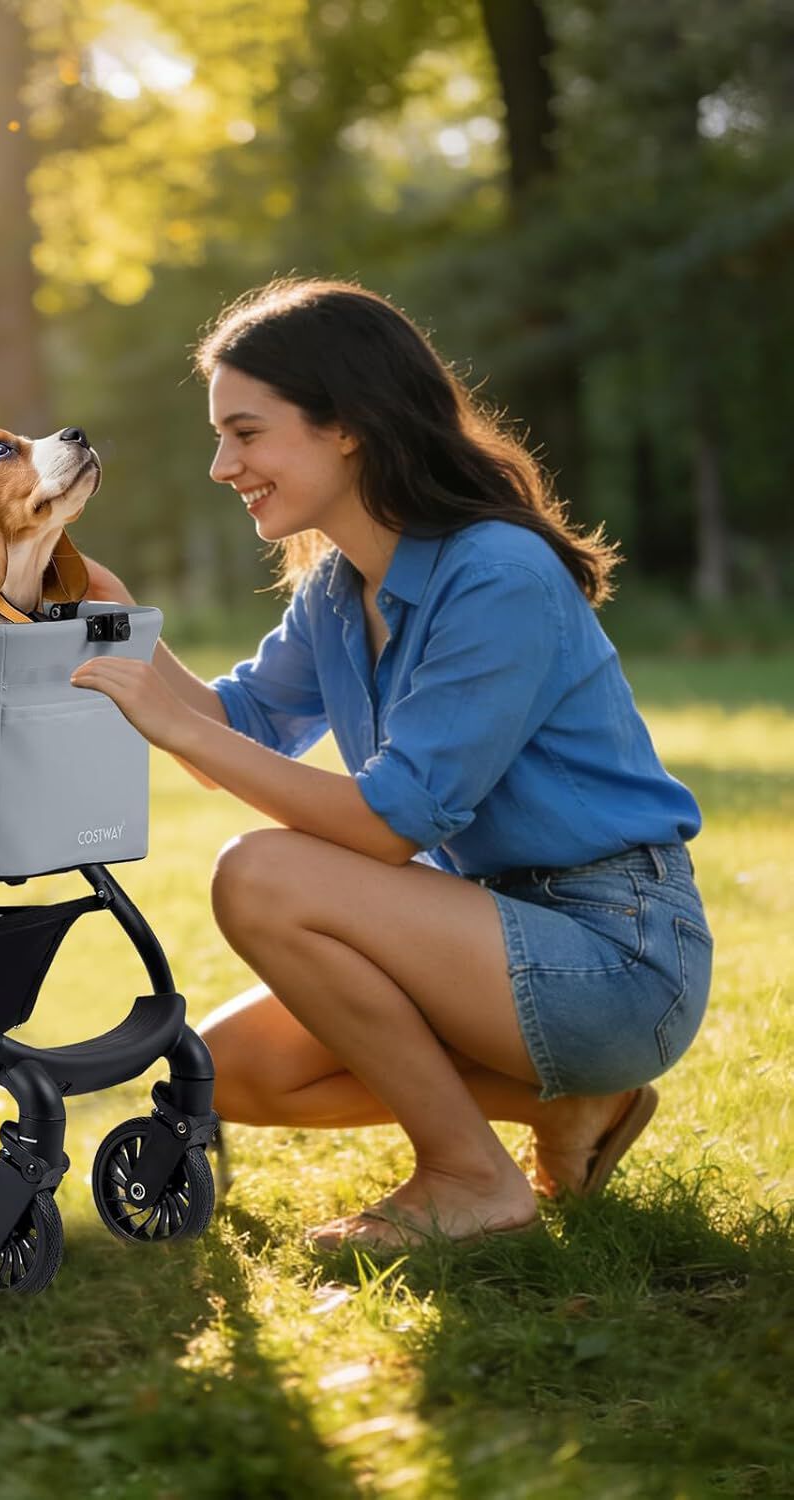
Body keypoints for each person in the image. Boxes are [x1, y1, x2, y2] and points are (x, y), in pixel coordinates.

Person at [68, 276, 713, 1251]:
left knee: (261, 872)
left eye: (245, 433)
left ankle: (469, 1179)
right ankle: (573, 1109)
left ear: (348, 426)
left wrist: (182, 730)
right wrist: (109, 612)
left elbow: (390, 823)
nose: (219, 464)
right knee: (226, 1071)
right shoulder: (339, 587)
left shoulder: (496, 574)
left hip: (615, 952)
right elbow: (238, 723)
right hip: (483, 935)